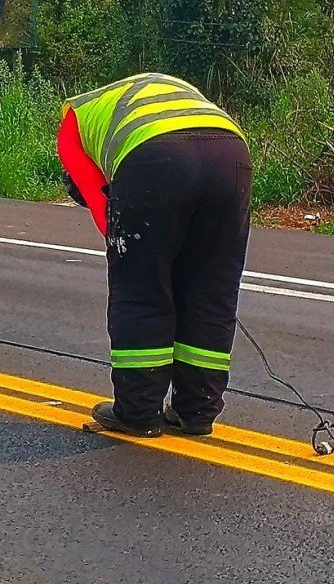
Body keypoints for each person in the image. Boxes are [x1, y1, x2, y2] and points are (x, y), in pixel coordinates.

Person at [58, 73, 252, 438]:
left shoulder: (71, 127)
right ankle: (196, 411)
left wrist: (144, 248)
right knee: (211, 290)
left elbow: (104, 212)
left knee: (140, 287)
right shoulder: (147, 92)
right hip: (230, 152)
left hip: (155, 157)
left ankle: (139, 411)